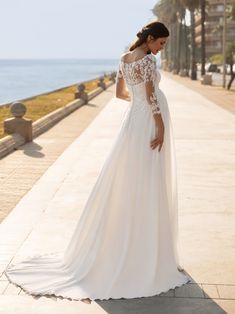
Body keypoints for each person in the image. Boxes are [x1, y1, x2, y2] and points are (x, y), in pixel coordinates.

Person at [4, 20, 191, 303]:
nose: (161, 49)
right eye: (161, 43)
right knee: (150, 178)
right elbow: (152, 96)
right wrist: (159, 124)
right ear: (150, 38)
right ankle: (149, 253)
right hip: (150, 122)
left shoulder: (124, 58)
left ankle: (132, 245)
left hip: (133, 122)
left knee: (130, 177)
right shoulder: (148, 62)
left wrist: (138, 104)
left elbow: (119, 94)